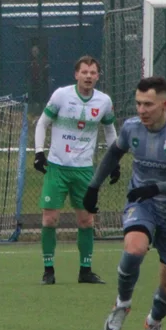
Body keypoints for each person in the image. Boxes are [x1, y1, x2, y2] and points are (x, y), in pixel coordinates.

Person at [84, 76, 166, 330]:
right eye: (138, 103)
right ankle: (122, 303)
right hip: (142, 203)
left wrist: (157, 188)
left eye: (148, 104)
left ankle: (153, 322)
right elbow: (113, 154)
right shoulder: (131, 128)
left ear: (164, 105)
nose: (141, 110)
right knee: (134, 249)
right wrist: (93, 186)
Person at [33, 55, 119, 285]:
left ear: (98, 76)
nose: (88, 76)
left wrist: (115, 161)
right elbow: (42, 123)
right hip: (57, 168)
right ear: (76, 74)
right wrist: (39, 152)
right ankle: (48, 271)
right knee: (50, 219)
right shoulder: (61, 95)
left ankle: (85, 271)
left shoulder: (104, 101)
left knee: (86, 221)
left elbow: (110, 130)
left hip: (84, 171)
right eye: (84, 72)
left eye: (93, 72)